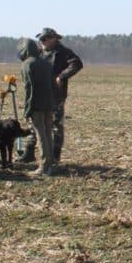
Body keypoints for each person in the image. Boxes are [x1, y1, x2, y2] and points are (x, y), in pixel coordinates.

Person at [17, 27, 83, 164]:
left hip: (56, 94)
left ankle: (54, 156)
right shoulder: (39, 52)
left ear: (54, 38)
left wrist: (61, 76)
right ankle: (29, 152)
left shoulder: (64, 52)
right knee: (34, 122)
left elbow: (77, 64)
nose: (42, 41)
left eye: (45, 39)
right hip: (40, 93)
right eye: (40, 39)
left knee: (55, 125)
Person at [17, 38, 56, 175]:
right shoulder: (46, 63)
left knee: (40, 134)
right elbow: (52, 85)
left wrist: (27, 110)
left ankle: (44, 166)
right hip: (49, 104)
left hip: (36, 105)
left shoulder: (27, 64)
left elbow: (29, 89)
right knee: (48, 133)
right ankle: (50, 164)